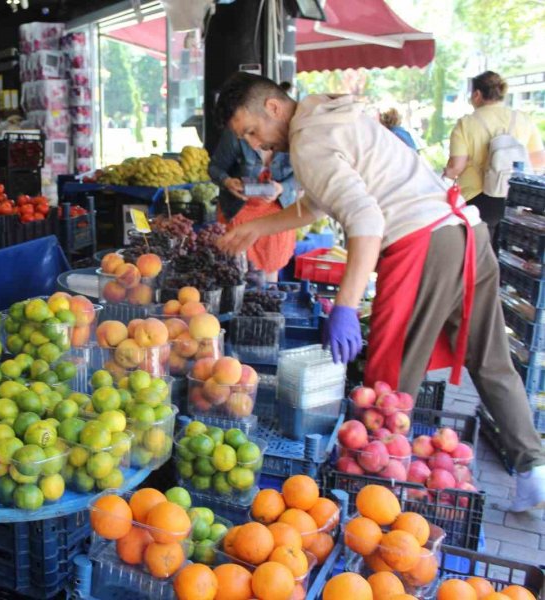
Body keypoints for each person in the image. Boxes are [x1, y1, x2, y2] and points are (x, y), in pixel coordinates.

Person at [213, 72, 545, 511]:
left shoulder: (309, 142)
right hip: (466, 232)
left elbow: (365, 222)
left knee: (387, 384)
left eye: (254, 131)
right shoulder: (325, 116)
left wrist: (346, 309)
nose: (258, 146)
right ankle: (532, 475)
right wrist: (257, 226)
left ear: (273, 108)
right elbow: (316, 204)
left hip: (422, 246)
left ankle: (377, 504)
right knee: (491, 359)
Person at [445, 71, 545, 250]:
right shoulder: (523, 119)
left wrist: (444, 179)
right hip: (515, 198)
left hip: (477, 200)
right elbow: (538, 161)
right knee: (506, 255)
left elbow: (456, 167)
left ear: (477, 94)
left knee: (477, 255)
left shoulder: (467, 123)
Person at [209, 126, 300, 281]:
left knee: (270, 276)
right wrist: (227, 181)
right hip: (238, 213)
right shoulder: (236, 131)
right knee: (236, 275)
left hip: (277, 216)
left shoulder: (295, 134)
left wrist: (282, 188)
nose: (252, 142)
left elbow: (304, 175)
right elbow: (214, 168)